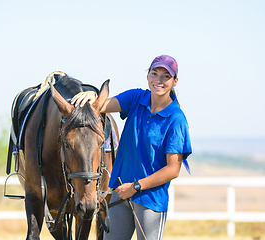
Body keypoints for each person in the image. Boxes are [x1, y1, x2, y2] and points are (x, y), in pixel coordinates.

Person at [71, 54, 192, 240]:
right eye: (154, 73)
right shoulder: (136, 98)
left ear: (175, 81)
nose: (158, 80)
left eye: (165, 76)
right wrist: (92, 95)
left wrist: (135, 187)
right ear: (148, 76)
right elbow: (100, 106)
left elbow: (173, 169)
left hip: (150, 200)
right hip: (121, 193)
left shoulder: (176, 119)